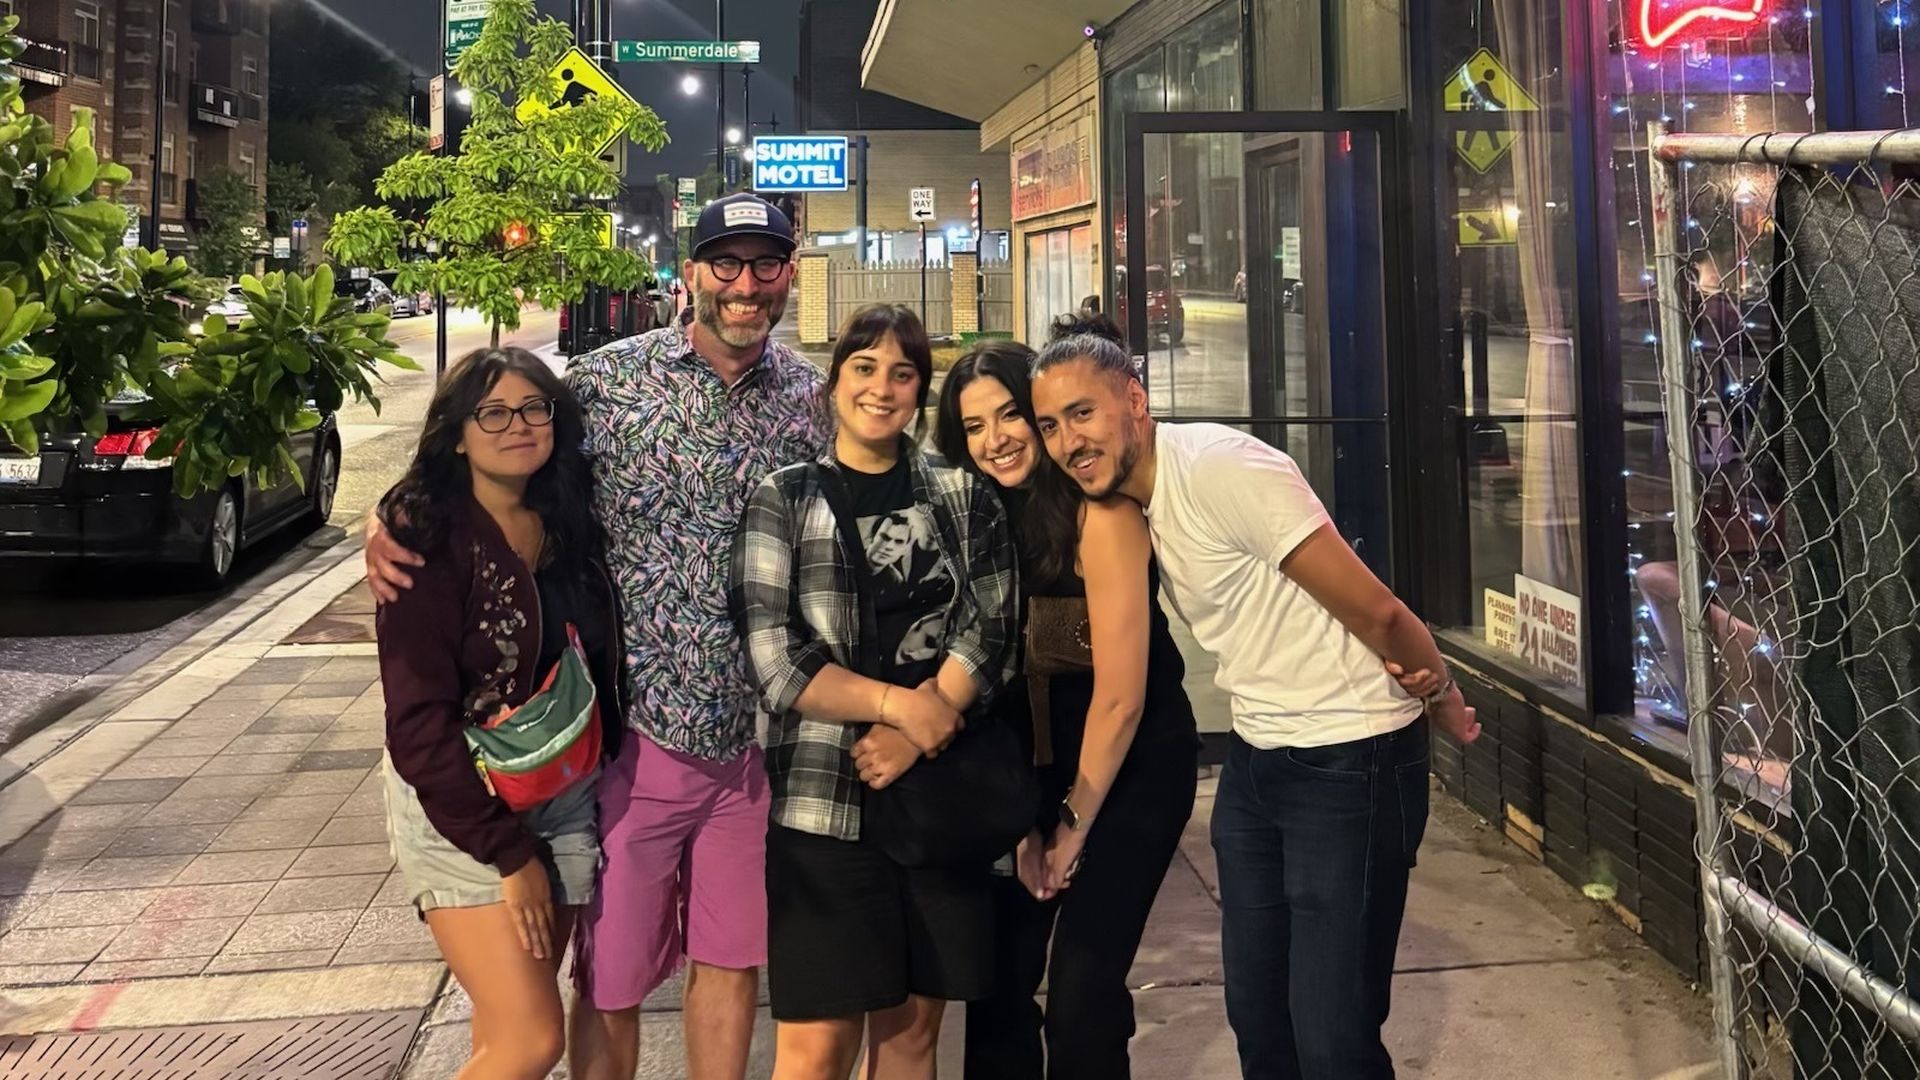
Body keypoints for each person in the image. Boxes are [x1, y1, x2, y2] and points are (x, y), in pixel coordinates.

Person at [364, 193, 830, 1080]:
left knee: (731, 969)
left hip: (747, 745)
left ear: (788, 276)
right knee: (607, 987)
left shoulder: (811, 399)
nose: (744, 286)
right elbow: (494, 448)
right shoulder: (607, 387)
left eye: (765, 265)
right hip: (622, 747)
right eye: (724, 265)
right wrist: (391, 517)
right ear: (691, 274)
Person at [1028, 331, 1480, 1080]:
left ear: (1134, 401)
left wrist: (1444, 694)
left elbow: (1376, 610)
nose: (1068, 441)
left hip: (1353, 756)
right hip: (1257, 761)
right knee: (1262, 1026)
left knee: (1333, 1039)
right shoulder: (1136, 505)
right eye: (1050, 425)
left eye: (1082, 414)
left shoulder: (1221, 467)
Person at [730, 304, 1019, 1080]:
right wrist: (900, 706)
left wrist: (922, 727)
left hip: (939, 801)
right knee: (816, 1046)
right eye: (864, 367)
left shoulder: (963, 497)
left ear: (920, 391)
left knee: (909, 1034)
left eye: (902, 373)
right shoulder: (782, 499)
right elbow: (776, 663)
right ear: (833, 383)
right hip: (824, 804)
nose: (882, 387)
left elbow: (989, 631)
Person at [935, 329, 1200, 1080]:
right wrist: (1024, 823)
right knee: (996, 990)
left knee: (1082, 994)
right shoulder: (980, 525)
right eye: (974, 427)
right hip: (1030, 777)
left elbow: (1120, 697)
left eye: (1011, 416)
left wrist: (1072, 828)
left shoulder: (1100, 516)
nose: (996, 441)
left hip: (1129, 774)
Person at [375, 347, 624, 1080]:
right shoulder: (426, 538)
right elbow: (416, 723)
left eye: (533, 408)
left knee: (503, 1028)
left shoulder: (572, 515)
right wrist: (509, 856)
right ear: (456, 432)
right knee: (530, 1041)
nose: (518, 425)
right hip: (463, 806)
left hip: (565, 792)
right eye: (493, 412)